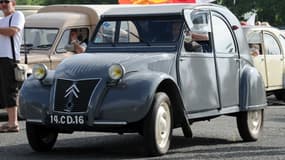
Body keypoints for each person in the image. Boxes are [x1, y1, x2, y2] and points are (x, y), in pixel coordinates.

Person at [0, 0, 25, 132]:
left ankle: (13, 123)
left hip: (10, 58)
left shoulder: (18, 15)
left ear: (13, 3)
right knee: (3, 91)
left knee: (10, 90)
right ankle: (9, 122)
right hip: (1, 58)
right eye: (1, 2)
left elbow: (12, 31)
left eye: (6, 1)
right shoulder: (1, 19)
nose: (3, 4)